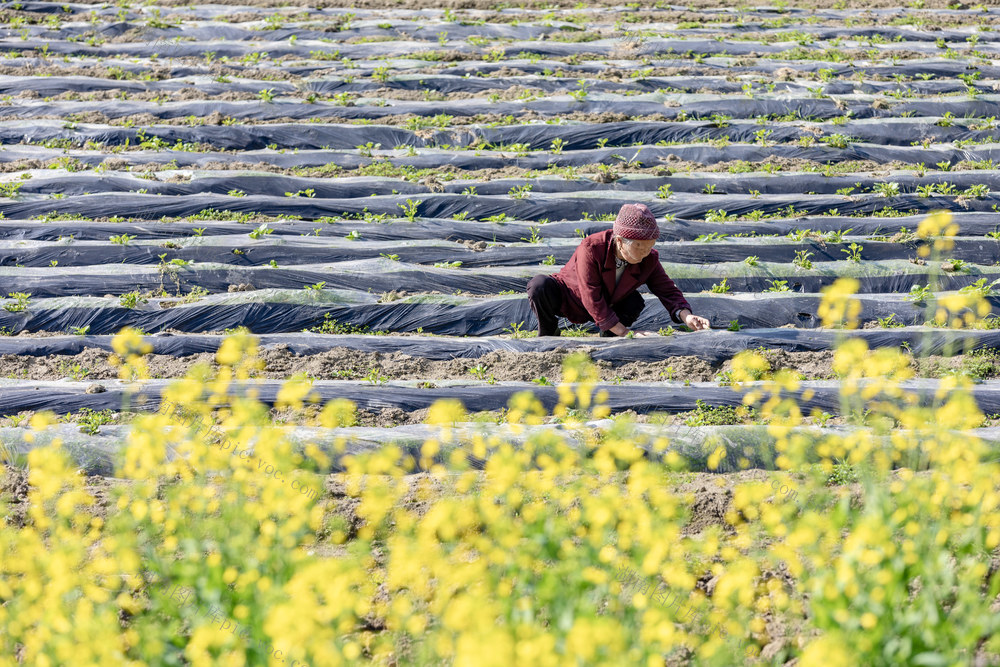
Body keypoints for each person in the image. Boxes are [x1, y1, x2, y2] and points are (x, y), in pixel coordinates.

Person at [526, 203, 710, 337]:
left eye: (650, 246)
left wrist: (686, 316)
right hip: (572, 298)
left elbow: (667, 290)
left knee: (634, 301)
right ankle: (549, 332)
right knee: (539, 286)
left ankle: (610, 337)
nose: (645, 252)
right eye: (639, 247)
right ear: (620, 241)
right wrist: (625, 332)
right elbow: (590, 294)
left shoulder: (648, 259)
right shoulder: (591, 247)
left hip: (609, 303)